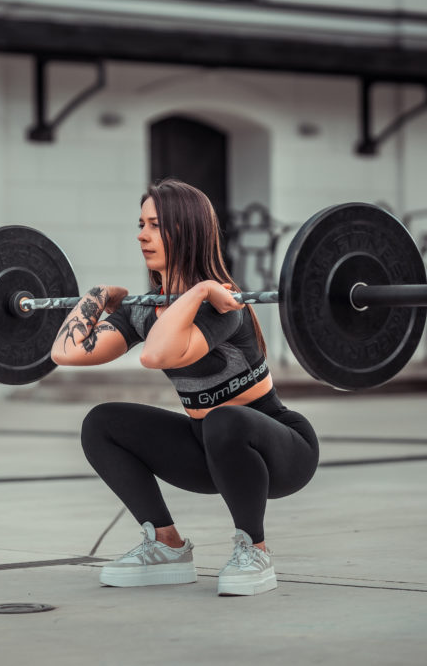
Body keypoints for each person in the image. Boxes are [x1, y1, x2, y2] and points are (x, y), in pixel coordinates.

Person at [50, 178, 320, 597]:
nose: (141, 235)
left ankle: (256, 550)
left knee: (224, 419)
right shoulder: (146, 309)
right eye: (140, 223)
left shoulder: (223, 305)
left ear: (186, 231)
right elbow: (65, 353)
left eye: (155, 225)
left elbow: (156, 355)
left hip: (277, 450)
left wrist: (198, 290)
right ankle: (166, 545)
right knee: (101, 423)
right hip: (206, 451)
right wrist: (97, 295)